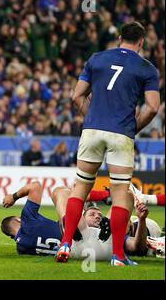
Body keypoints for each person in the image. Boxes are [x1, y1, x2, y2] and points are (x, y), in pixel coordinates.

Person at [56, 21, 160, 266]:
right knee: (120, 194)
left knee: (80, 188)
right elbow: (153, 107)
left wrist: (91, 118)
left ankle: (66, 243)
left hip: (91, 131)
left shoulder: (97, 58)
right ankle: (118, 256)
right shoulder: (147, 68)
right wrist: (134, 128)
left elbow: (76, 95)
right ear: (142, 42)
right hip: (121, 134)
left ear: (120, 37)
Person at [1, 181, 150, 259]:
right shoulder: (26, 220)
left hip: (75, 251)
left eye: (97, 215)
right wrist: (13, 197)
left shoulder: (22, 249)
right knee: (126, 195)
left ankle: (69, 223)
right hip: (101, 248)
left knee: (71, 197)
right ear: (18, 220)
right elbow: (35, 186)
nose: (97, 216)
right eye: (92, 214)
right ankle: (69, 223)